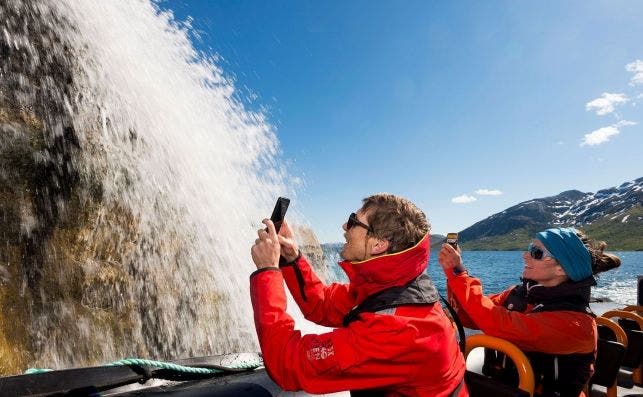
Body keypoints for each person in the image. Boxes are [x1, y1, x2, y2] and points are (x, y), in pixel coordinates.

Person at [250, 193, 468, 396]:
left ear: (378, 244)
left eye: (354, 221)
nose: (345, 226)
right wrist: (290, 259)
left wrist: (267, 273)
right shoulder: (389, 287)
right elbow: (322, 304)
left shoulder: (397, 330)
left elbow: (286, 364)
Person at [438, 227, 621, 397]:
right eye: (529, 248)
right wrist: (452, 278)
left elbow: (497, 322)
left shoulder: (577, 325)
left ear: (562, 268)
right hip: (504, 388)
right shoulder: (517, 294)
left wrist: (458, 273)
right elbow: (468, 316)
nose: (525, 255)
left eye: (536, 253)